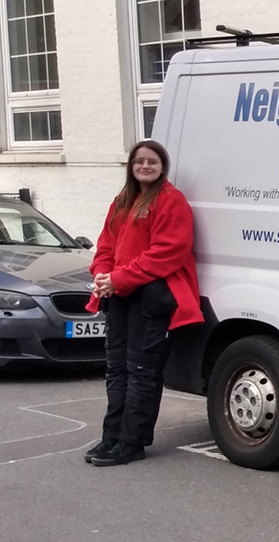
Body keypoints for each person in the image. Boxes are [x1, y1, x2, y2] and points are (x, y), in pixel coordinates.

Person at [84, 140, 202, 467]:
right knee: (116, 368)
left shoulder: (170, 201)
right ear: (131, 166)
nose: (145, 167)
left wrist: (119, 278)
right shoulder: (122, 201)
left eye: (152, 161)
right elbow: (105, 246)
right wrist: (103, 275)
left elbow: (168, 251)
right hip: (119, 295)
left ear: (163, 166)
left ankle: (131, 442)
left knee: (141, 369)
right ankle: (112, 437)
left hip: (151, 297)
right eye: (139, 162)